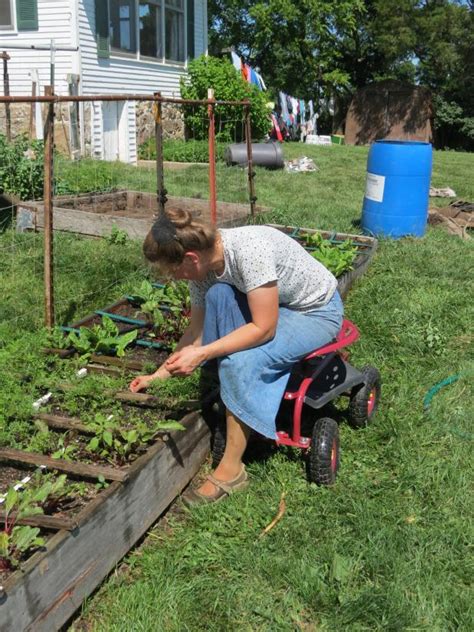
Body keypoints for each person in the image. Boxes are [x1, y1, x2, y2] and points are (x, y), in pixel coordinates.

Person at [129, 210, 344, 505]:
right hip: (276, 307)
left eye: (172, 271)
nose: (172, 278)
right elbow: (197, 329)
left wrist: (204, 353)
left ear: (191, 258)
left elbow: (264, 329)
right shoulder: (205, 268)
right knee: (218, 296)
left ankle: (232, 471)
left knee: (238, 361)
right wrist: (159, 374)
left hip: (315, 312)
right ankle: (243, 404)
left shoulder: (248, 250)